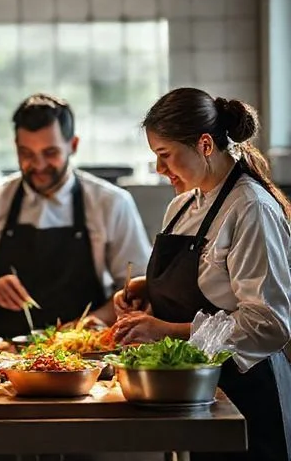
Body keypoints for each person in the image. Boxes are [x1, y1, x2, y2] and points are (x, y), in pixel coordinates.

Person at [113, 87, 291, 461]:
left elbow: (268, 324)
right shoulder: (182, 204)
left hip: (245, 401)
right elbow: (205, 283)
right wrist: (149, 291)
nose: (159, 169)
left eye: (165, 155)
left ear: (205, 145)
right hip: (191, 393)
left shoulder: (251, 208)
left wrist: (164, 330)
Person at [0, 92, 151, 338]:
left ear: (73, 145)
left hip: (83, 356)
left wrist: (90, 324)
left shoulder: (111, 203)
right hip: (1, 358)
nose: (38, 165)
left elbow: (137, 292)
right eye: (26, 154)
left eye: (50, 153)